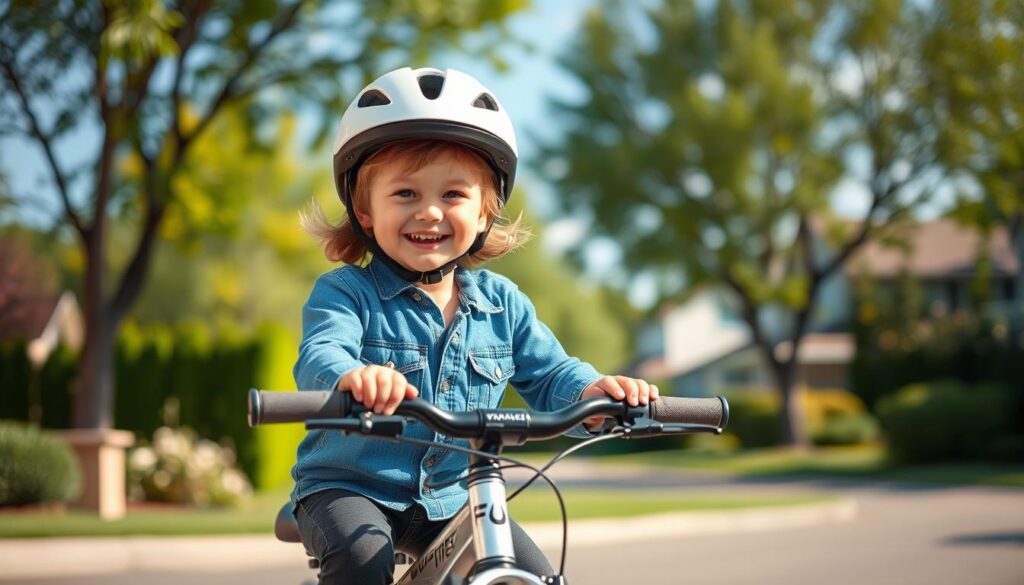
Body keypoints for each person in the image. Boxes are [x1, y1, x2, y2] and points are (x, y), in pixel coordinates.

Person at [292, 66, 658, 585]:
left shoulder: (503, 305)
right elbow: (321, 354)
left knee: (533, 576)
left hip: (453, 498)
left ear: (486, 211)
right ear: (364, 210)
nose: (430, 213)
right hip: (348, 488)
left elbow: (553, 375)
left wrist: (596, 392)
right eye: (405, 194)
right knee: (361, 561)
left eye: (453, 195)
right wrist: (351, 378)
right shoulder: (345, 293)